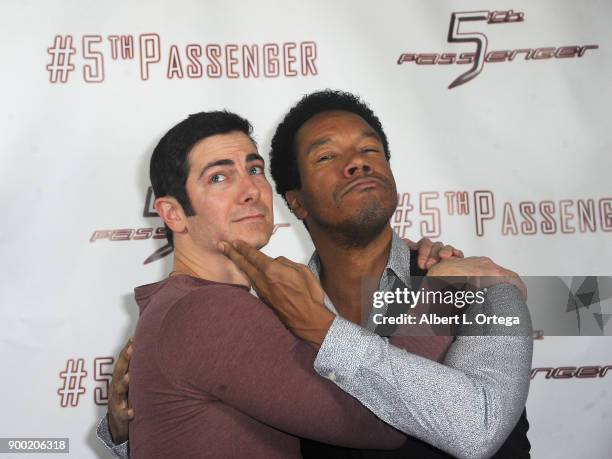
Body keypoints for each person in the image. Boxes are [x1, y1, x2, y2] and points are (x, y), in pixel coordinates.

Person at [98, 91, 532, 458]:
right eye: (327, 156)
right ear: (296, 202)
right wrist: (129, 429)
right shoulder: (272, 310)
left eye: (370, 150)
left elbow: (483, 425)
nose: (358, 164)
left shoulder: (481, 288)